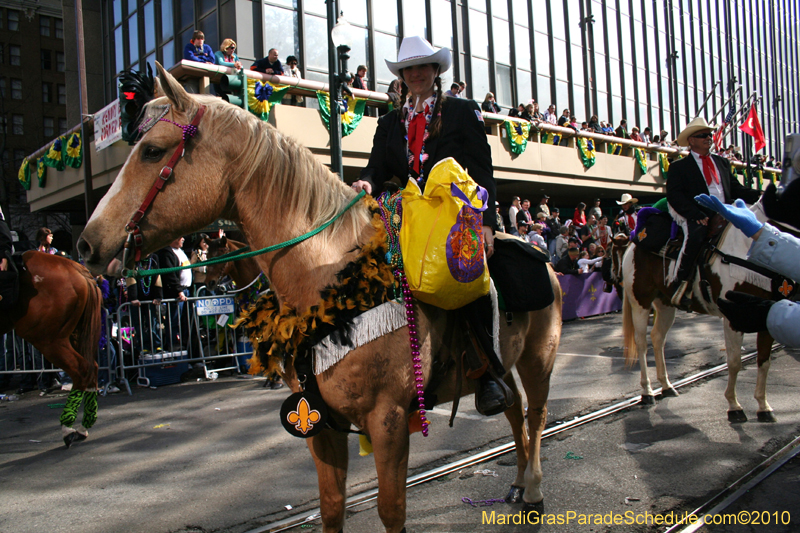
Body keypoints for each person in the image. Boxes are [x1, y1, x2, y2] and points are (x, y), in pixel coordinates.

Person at [351, 36, 509, 416]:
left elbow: (482, 169)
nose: (416, 73)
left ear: (436, 71)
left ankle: (486, 369)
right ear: (402, 76)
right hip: (404, 214)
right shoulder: (389, 122)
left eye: (423, 66)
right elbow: (377, 167)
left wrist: (486, 222)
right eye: (409, 68)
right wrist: (367, 183)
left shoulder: (462, 111)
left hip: (453, 212)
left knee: (468, 277)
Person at [666, 117, 761, 306]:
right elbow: (675, 195)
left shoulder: (722, 163)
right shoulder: (679, 167)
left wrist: (761, 195)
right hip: (695, 212)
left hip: (726, 211)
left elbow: (736, 190)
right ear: (691, 141)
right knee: (695, 236)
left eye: (709, 135)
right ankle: (680, 284)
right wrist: (695, 214)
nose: (708, 138)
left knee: (755, 230)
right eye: (703, 135)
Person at [158, 237, 193, 350]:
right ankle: (172, 345)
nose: (183, 239)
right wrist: (179, 291)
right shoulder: (167, 253)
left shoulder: (180, 251)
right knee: (174, 321)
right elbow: (170, 275)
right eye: (180, 236)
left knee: (185, 321)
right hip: (177, 293)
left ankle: (185, 345)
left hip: (186, 291)